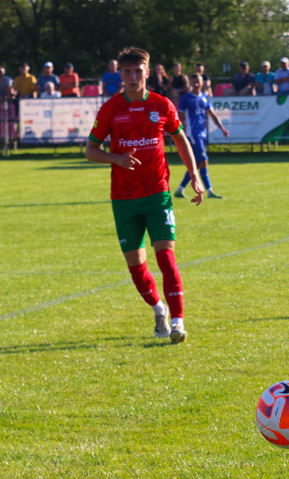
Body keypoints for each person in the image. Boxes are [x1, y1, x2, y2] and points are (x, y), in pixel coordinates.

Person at [85, 46, 205, 344]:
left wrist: (195, 176)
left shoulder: (162, 105)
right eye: (127, 72)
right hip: (124, 198)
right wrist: (117, 159)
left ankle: (178, 322)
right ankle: (159, 310)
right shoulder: (111, 108)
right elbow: (91, 151)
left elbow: (181, 141)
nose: (133, 76)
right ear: (120, 75)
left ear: (147, 73)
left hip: (157, 194)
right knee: (137, 268)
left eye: (138, 71)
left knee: (166, 257)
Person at [175, 73, 229, 200]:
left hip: (202, 134)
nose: (196, 84)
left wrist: (222, 128)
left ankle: (180, 189)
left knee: (196, 164)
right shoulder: (186, 98)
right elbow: (179, 115)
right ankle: (209, 191)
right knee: (203, 161)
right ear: (190, 83)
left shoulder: (205, 97)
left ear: (202, 83)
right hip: (193, 134)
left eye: (198, 81)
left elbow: (212, 114)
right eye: (193, 82)